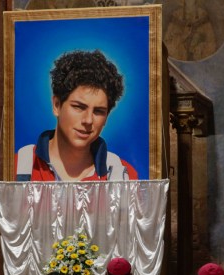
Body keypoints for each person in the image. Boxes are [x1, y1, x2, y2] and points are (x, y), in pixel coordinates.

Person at [15, 49, 138, 181]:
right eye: (79, 107)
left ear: (106, 117)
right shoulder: (18, 167)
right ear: (56, 105)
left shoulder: (123, 176)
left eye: (98, 111)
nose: (88, 120)